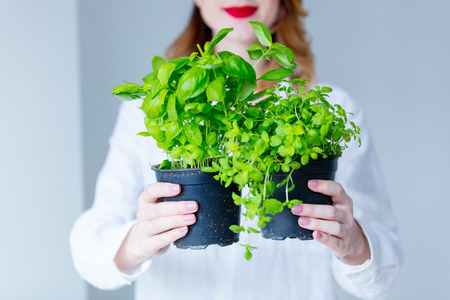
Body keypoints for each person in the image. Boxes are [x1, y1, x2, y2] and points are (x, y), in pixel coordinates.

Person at [70, 1, 402, 299]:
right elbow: (89, 247)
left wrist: (355, 243)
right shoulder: (152, 108)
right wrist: (137, 242)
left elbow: (382, 273)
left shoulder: (328, 109)